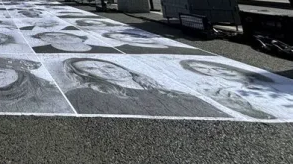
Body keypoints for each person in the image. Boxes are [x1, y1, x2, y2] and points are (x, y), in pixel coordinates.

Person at [61, 58, 229, 117]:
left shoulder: (172, 93)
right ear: (85, 75)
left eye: (108, 66)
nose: (103, 69)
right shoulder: (85, 95)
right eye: (92, 69)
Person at [179, 59, 282, 120]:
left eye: (215, 67)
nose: (213, 71)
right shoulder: (222, 92)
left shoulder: (270, 82)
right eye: (205, 70)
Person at [30, 32, 118, 54]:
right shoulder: (36, 50)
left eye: (63, 36)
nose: (58, 37)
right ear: (44, 40)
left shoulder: (112, 50)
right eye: (51, 37)